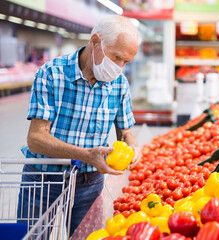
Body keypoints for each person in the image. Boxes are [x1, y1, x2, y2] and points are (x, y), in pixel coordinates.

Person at [17, 15, 142, 236]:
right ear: (95, 41)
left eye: (126, 62)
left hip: (90, 183)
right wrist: (85, 155)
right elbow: (36, 139)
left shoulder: (119, 84)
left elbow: (126, 132)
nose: (119, 68)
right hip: (43, 179)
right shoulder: (51, 74)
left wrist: (134, 148)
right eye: (117, 57)